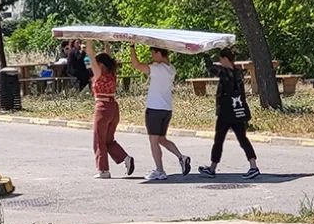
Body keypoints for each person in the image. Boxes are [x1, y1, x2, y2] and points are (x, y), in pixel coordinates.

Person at [130, 43, 190, 180]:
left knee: (153, 141)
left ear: (158, 53)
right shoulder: (171, 69)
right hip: (166, 109)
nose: (152, 57)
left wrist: (132, 47)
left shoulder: (157, 69)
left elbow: (136, 65)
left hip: (155, 109)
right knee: (161, 139)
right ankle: (181, 157)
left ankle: (159, 170)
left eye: (152, 53)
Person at [198, 47, 259, 180]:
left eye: (220, 59)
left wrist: (205, 53)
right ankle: (253, 166)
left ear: (225, 59)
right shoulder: (238, 72)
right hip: (238, 111)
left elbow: (210, 67)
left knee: (218, 140)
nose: (219, 62)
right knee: (243, 139)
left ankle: (212, 168)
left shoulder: (224, 72)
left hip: (226, 112)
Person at [85, 40, 135, 179]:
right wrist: (106, 44)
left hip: (102, 107)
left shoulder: (99, 74)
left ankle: (103, 170)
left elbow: (91, 55)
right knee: (108, 140)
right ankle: (125, 158)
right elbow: (107, 56)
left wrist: (88, 40)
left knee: (99, 140)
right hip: (114, 108)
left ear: (100, 64)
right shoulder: (112, 73)